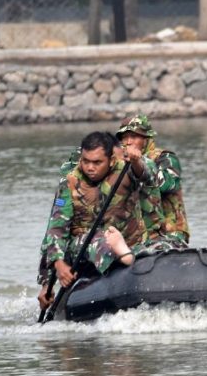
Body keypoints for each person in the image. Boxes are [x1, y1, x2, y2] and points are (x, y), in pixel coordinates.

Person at [37, 131, 153, 311]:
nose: (90, 167)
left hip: (130, 241)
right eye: (85, 161)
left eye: (97, 162)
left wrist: (137, 160)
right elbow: (56, 230)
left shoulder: (125, 169)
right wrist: (56, 270)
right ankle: (120, 255)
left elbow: (147, 175)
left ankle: (122, 252)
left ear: (111, 160)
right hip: (87, 247)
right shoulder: (68, 184)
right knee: (89, 239)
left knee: (162, 245)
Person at [115, 114, 190, 250]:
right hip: (137, 236)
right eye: (124, 137)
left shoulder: (166, 158)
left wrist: (139, 163)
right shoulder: (120, 163)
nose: (128, 142)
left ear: (147, 138)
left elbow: (167, 185)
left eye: (134, 136)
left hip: (169, 232)